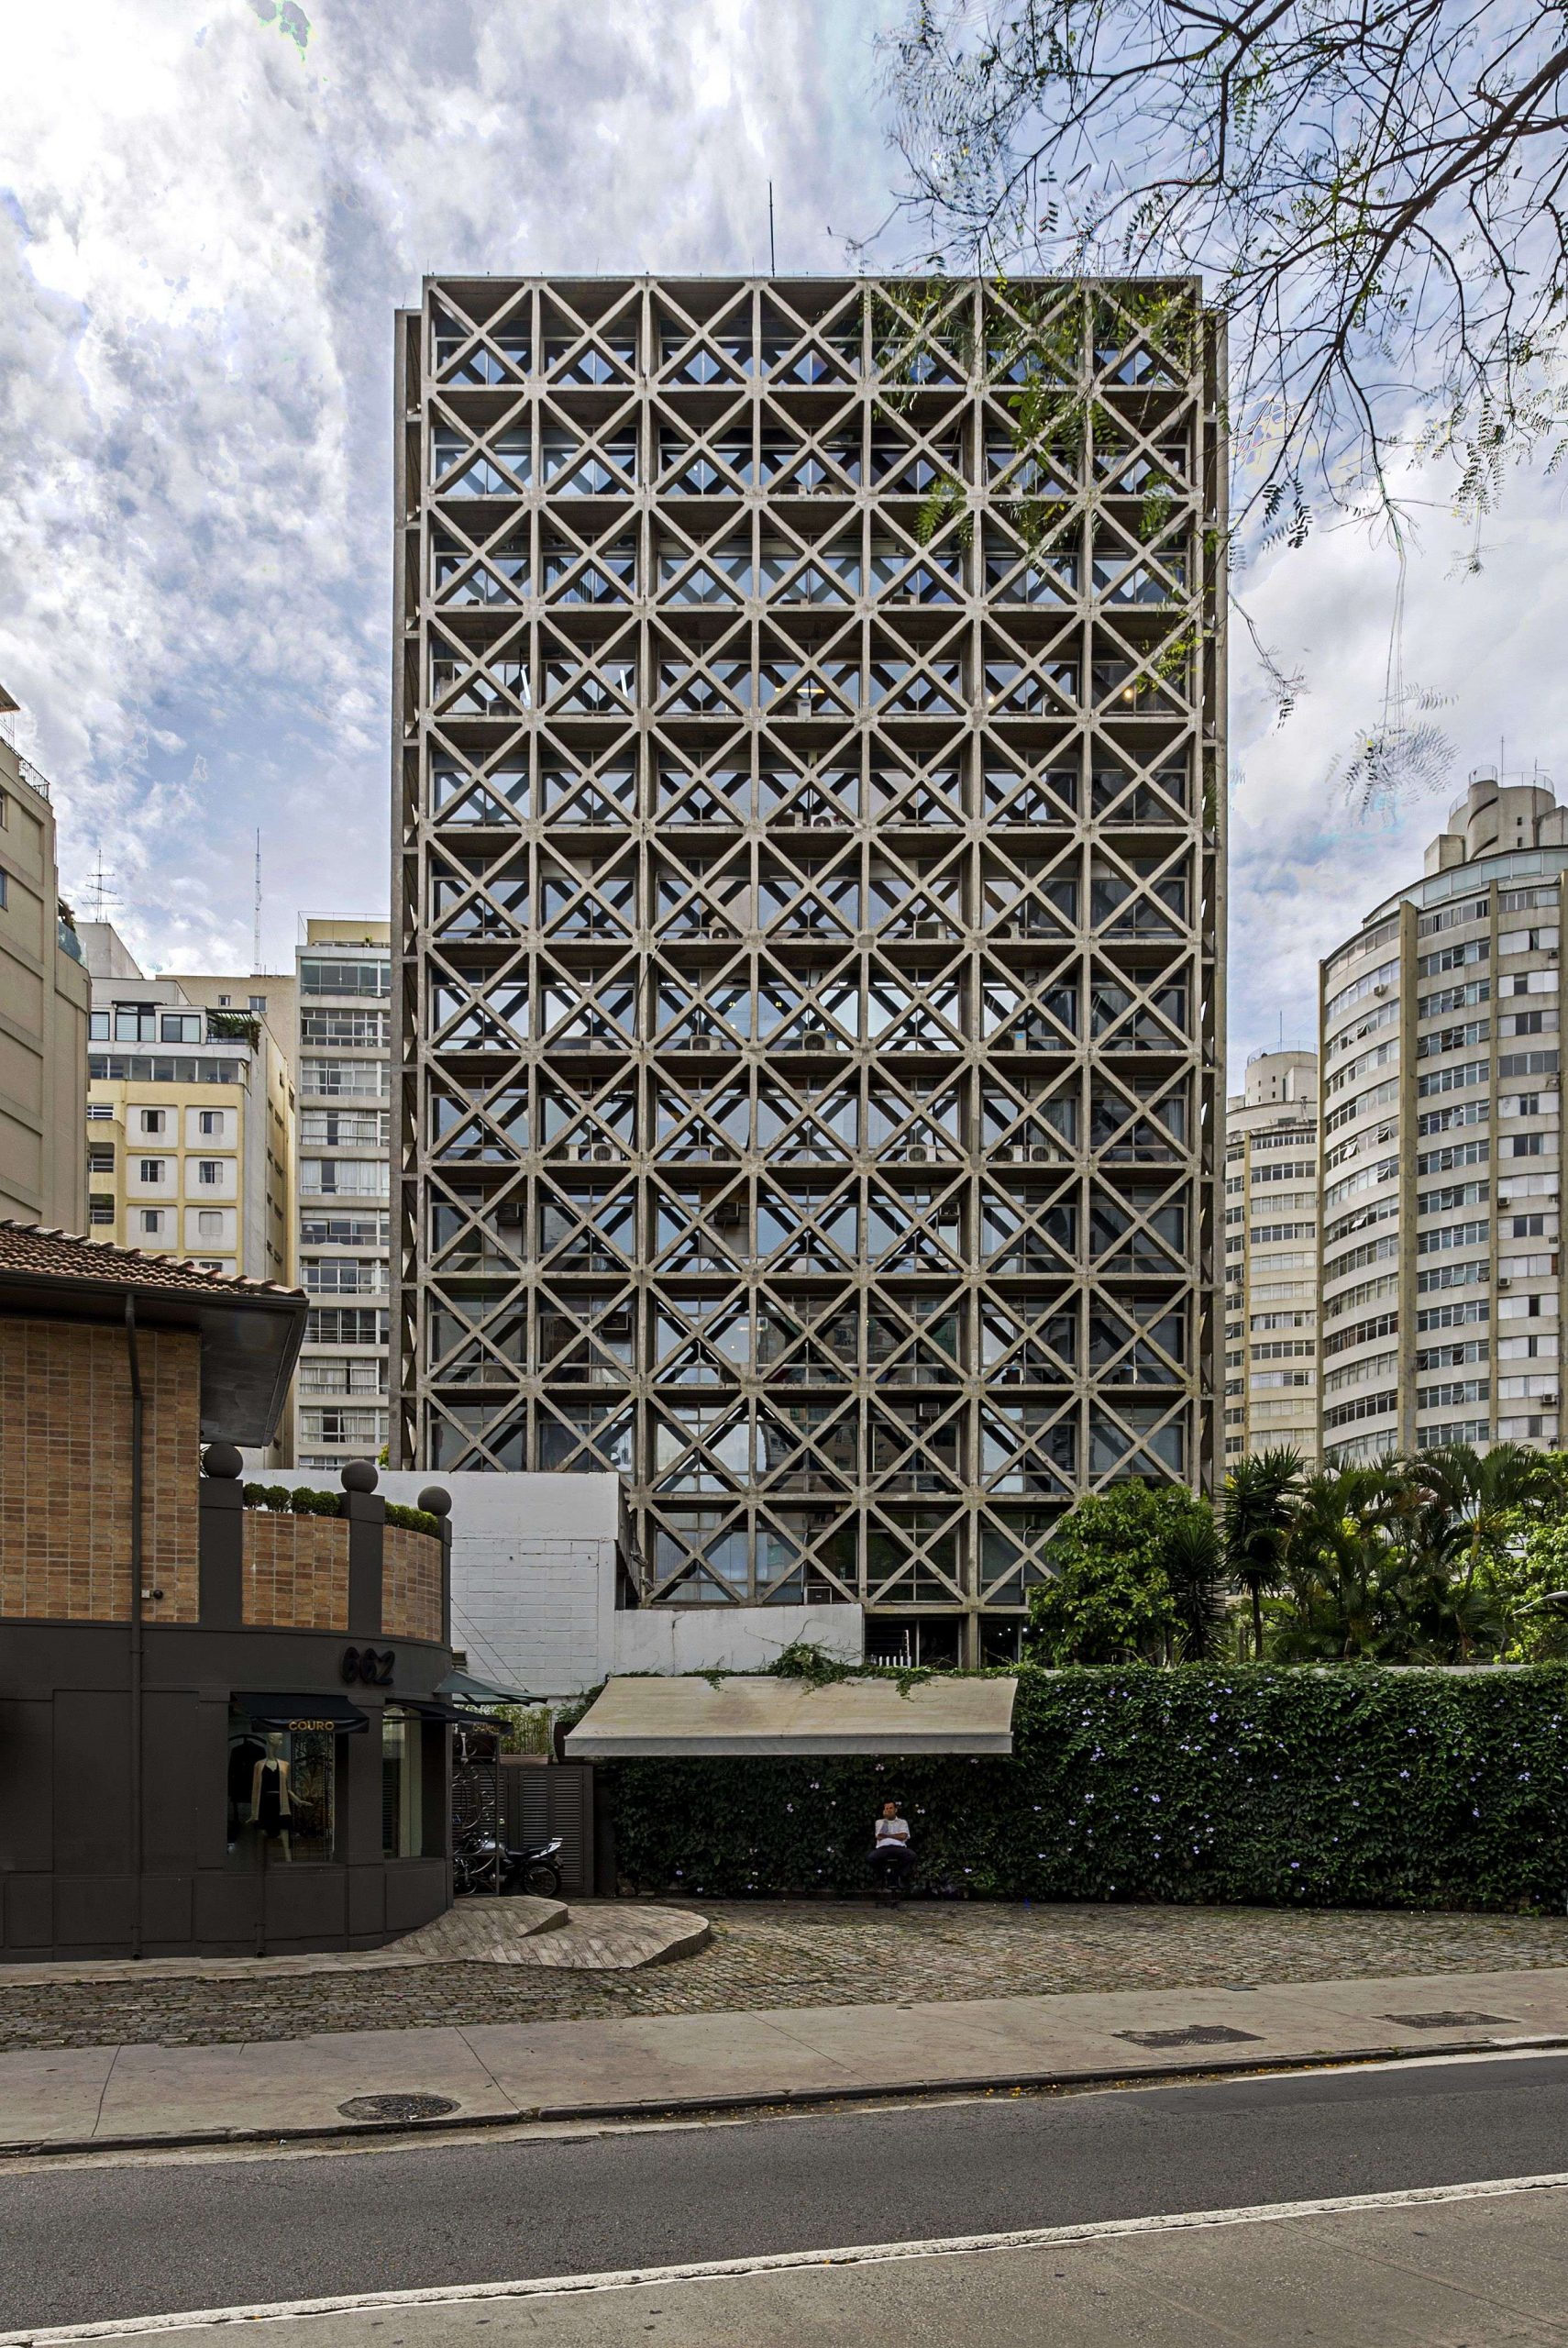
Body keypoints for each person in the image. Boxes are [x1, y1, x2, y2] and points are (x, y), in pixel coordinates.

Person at [869, 1800, 914, 1899]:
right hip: (883, 1848)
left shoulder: (902, 1822)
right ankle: (882, 1875)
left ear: (895, 1810)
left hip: (899, 1847)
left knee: (911, 1855)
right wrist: (886, 1820)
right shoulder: (879, 1822)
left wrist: (888, 1836)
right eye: (887, 1808)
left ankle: (900, 1875)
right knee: (871, 1858)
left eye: (891, 1808)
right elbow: (880, 1836)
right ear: (884, 1810)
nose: (889, 1810)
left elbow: (903, 1836)